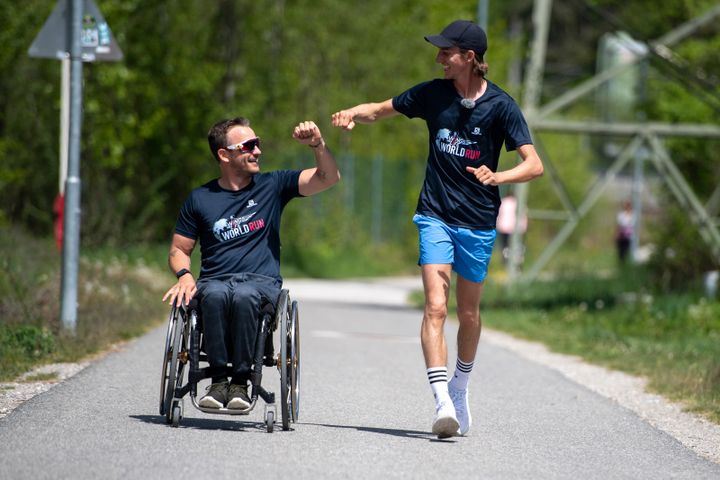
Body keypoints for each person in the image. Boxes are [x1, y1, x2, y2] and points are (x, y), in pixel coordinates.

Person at [331, 19, 543, 438]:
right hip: (435, 215)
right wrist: (353, 112)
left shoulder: (502, 106)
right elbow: (381, 109)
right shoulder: (432, 94)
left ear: (470, 57)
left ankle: (460, 386)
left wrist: (498, 177)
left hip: (478, 221)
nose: (439, 58)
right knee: (435, 307)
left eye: (447, 52)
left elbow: (534, 165)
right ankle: (442, 400)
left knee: (469, 313)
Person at [162, 117, 340, 410]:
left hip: (261, 283)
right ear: (224, 154)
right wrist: (184, 275)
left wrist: (317, 144)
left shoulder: (273, 185)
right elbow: (179, 249)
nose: (258, 151)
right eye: (249, 146)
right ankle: (219, 382)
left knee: (244, 296)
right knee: (215, 294)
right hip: (215, 281)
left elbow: (328, 177)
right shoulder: (200, 198)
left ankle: (241, 384)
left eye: (257, 144)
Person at [496, 191, 528, 264]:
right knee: (518, 246)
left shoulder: (503, 202)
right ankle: (517, 261)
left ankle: (506, 261)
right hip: (518, 228)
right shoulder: (519, 203)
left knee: (506, 245)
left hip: (504, 227)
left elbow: (498, 214)